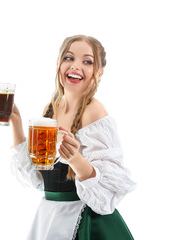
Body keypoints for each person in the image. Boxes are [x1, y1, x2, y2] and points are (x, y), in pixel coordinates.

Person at [10, 35, 136, 240]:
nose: (76, 66)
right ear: (58, 64)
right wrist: (16, 123)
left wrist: (75, 158)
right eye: (69, 58)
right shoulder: (51, 108)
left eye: (87, 61)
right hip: (50, 216)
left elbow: (106, 191)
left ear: (99, 73)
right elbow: (39, 179)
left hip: (86, 222)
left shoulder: (93, 111)